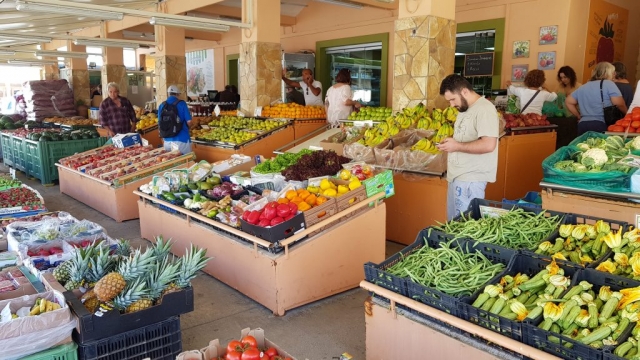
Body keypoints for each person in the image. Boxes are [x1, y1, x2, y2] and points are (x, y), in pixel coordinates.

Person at [436, 74, 499, 221]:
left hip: (471, 179)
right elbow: (467, 138)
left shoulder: (484, 109)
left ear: (464, 91)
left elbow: (489, 144)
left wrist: (456, 145)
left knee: (465, 227)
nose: (451, 105)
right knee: (454, 225)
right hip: (459, 177)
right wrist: (452, 142)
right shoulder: (465, 109)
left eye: (453, 99)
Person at [566, 62, 627, 134]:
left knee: (583, 145)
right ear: (608, 73)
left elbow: (568, 101)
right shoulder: (608, 84)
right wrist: (627, 113)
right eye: (613, 73)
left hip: (582, 124)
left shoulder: (583, 86)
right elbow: (619, 103)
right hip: (600, 123)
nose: (614, 75)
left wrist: (578, 116)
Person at [157, 85, 193, 155]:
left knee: (171, 164)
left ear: (168, 94)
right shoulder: (182, 104)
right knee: (185, 162)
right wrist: (189, 127)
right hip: (182, 140)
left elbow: (159, 123)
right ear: (177, 94)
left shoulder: (162, 105)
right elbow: (189, 122)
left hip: (167, 141)